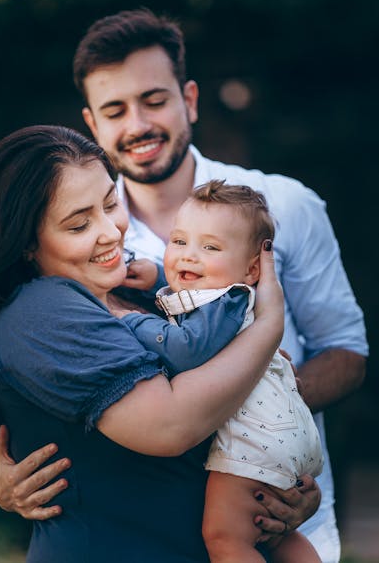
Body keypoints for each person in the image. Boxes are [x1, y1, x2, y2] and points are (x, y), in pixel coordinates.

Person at [0, 9, 368, 562]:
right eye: (115, 110)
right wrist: (4, 486)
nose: (138, 123)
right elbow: (61, 382)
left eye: (155, 99)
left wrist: (267, 436)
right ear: (92, 125)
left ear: (189, 99)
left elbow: (348, 353)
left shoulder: (285, 206)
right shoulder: (100, 250)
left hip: (289, 506)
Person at [0, 125, 289, 562]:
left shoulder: (143, 290)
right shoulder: (41, 313)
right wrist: (269, 323)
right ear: (27, 243)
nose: (110, 231)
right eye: (79, 224)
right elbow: (170, 425)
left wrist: (283, 487)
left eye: (111, 203)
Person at [116, 179, 323, 563]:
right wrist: (158, 281)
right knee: (273, 537)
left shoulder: (227, 301)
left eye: (210, 247)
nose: (188, 257)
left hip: (255, 438)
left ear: (251, 270)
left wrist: (129, 321)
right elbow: (195, 302)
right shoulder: (227, 301)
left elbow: (185, 347)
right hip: (283, 436)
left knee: (225, 538)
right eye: (179, 242)